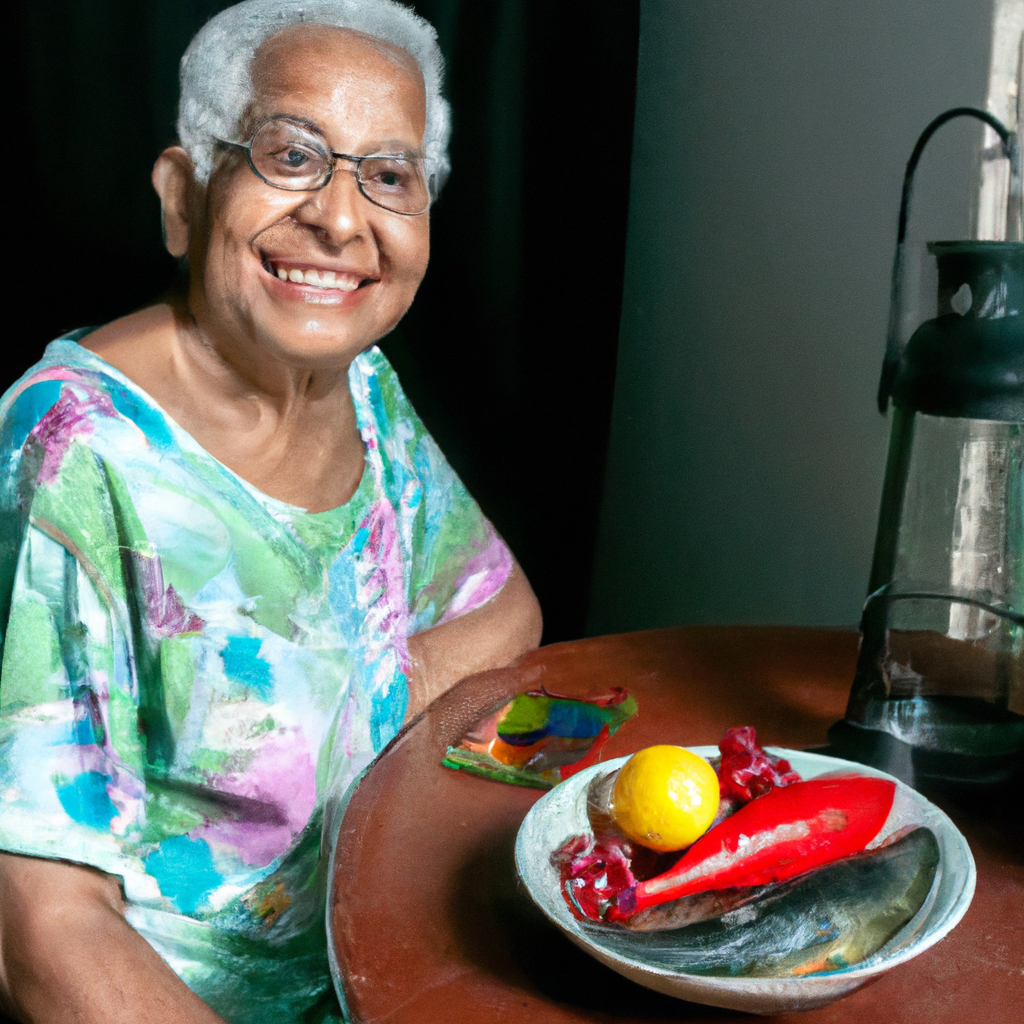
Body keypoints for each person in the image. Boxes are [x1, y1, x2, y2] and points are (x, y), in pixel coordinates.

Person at [0, 2, 542, 1021]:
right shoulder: (75, 451)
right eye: (291, 154)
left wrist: (343, 714)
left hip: (369, 963)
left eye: (387, 175)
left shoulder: (363, 390)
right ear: (182, 193)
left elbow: (504, 614)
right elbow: (39, 927)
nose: (342, 219)